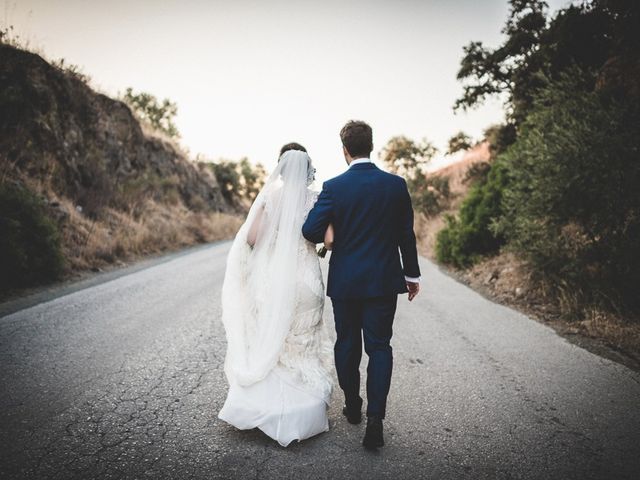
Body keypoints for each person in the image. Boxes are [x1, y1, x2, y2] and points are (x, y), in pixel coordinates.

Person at [302, 120, 421, 449]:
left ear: (345, 150)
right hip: (384, 281)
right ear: (372, 146)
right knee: (380, 347)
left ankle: (353, 405)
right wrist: (412, 275)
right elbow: (405, 235)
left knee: (347, 343)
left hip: (346, 282)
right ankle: (375, 421)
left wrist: (333, 236)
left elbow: (311, 229)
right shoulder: (395, 185)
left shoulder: (334, 187)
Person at [217, 144, 334, 447]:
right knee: (302, 339)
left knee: (273, 335)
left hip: (273, 281)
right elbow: (328, 238)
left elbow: (254, 237)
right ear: (308, 168)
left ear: (280, 167)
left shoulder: (270, 196)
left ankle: (258, 404)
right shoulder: (317, 198)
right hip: (306, 280)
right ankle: (303, 409)